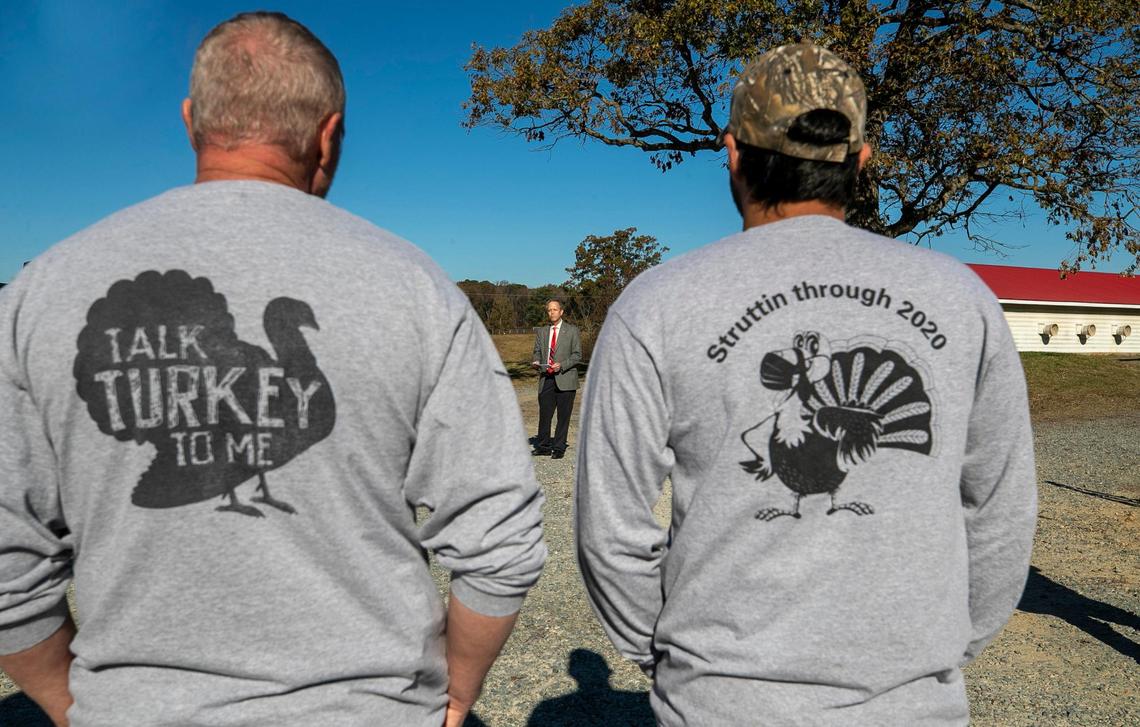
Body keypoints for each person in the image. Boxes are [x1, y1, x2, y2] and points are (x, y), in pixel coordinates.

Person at [0, 12, 545, 727]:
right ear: (329, 134)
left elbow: (8, 558)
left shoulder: (42, 290)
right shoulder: (414, 286)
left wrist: (73, 702)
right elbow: (501, 538)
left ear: (193, 120)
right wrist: (459, 690)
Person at [575, 42, 1036, 726]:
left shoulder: (657, 302)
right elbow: (1001, 508)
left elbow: (609, 527)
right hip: (913, 704)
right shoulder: (961, 299)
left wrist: (679, 658)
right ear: (860, 160)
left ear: (732, 154)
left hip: (719, 705)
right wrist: (937, 651)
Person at [530, 300, 582, 459]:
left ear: (561, 312)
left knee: (563, 416)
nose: (551, 312)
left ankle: (559, 447)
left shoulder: (572, 331)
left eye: (555, 309)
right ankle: (543, 446)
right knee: (545, 414)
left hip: (565, 378)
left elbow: (577, 355)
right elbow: (537, 352)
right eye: (549, 310)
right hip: (547, 378)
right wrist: (537, 361)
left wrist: (563, 365)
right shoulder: (542, 332)